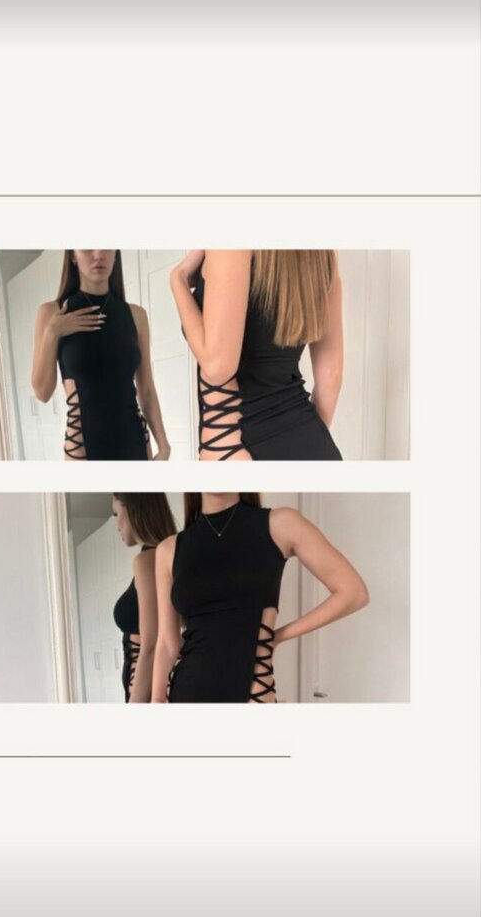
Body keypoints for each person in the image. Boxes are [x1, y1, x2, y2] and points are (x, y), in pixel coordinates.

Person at [152, 492, 368, 702]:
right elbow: (167, 643)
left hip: (253, 695)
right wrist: (157, 699)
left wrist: (279, 636)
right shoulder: (169, 550)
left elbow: (353, 592)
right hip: (186, 692)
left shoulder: (280, 524)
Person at [170, 250, 344, 460]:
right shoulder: (321, 256)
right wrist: (307, 441)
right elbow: (331, 375)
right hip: (312, 441)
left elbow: (217, 368)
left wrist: (178, 279)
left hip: (236, 447)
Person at [31, 250, 170, 460]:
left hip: (135, 444)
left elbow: (147, 390)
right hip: (82, 450)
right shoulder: (52, 313)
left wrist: (164, 445)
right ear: (73, 256)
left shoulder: (136, 315)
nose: (99, 254)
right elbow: (42, 393)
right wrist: (52, 332)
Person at [111, 493, 177, 702]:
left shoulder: (147, 561)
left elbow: (151, 646)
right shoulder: (170, 554)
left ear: (133, 509)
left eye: (116, 514)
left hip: (146, 693)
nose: (116, 525)